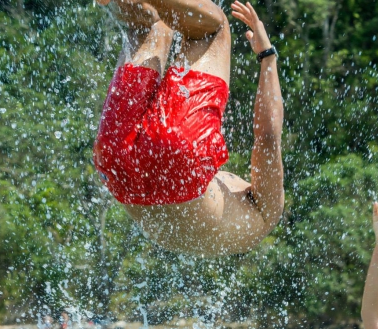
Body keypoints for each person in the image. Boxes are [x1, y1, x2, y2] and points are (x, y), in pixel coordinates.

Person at [93, 0, 284, 256]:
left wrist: (267, 57)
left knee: (211, 30)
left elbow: (268, 138)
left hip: (177, 166)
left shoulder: (268, 213)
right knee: (148, 28)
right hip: (118, 171)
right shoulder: (233, 234)